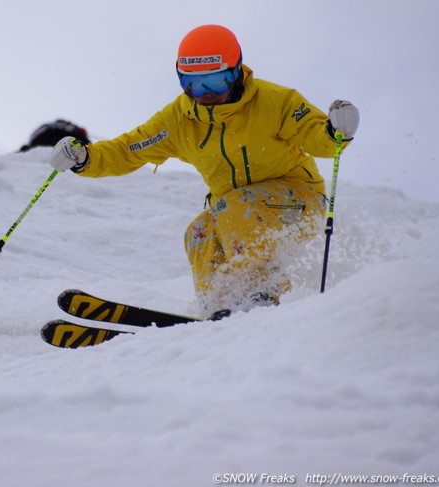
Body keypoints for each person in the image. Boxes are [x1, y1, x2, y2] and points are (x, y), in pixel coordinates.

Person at [48, 24, 359, 318]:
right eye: (193, 84)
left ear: (237, 72)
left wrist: (334, 131)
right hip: (237, 214)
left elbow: (316, 136)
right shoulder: (178, 120)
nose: (206, 93)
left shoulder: (275, 102)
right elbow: (128, 149)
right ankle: (219, 306)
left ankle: (263, 295)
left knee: (234, 206)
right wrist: (84, 159)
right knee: (198, 232)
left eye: (216, 81)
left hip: (301, 204)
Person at [19, 119, 90, 152]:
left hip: (37, 138)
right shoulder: (73, 130)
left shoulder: (58, 125)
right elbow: (85, 142)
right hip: (49, 136)